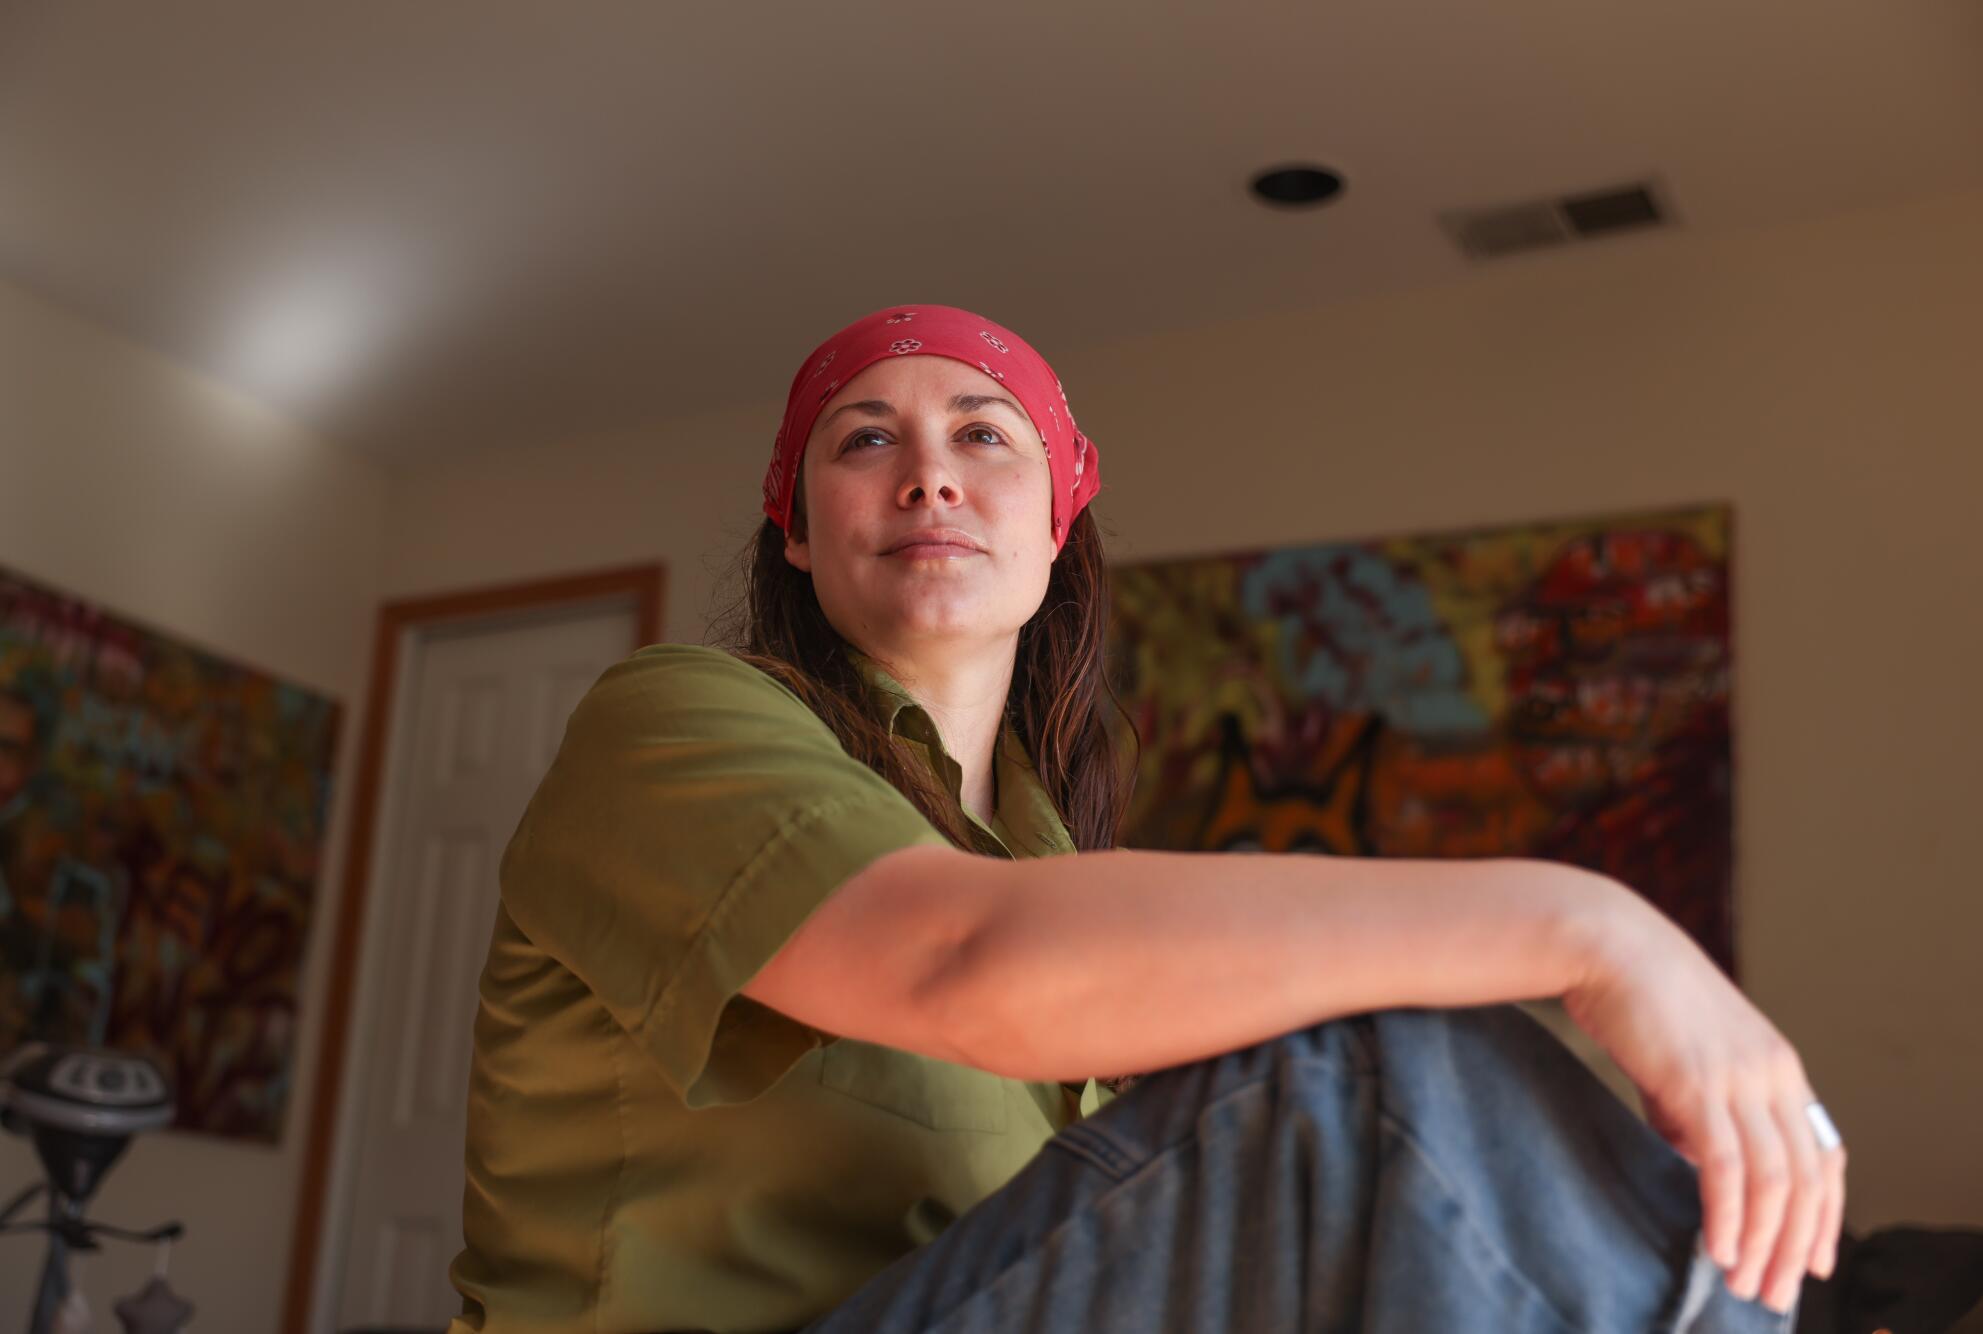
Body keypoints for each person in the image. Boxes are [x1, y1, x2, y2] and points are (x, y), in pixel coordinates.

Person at [446, 303, 1844, 1333]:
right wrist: (1598, 931)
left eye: (982, 436)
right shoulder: (671, 715)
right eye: (866, 439)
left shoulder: (1059, 866)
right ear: (797, 532)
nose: (928, 473)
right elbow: (958, 962)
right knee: (1367, 1082)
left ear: (1059, 520)